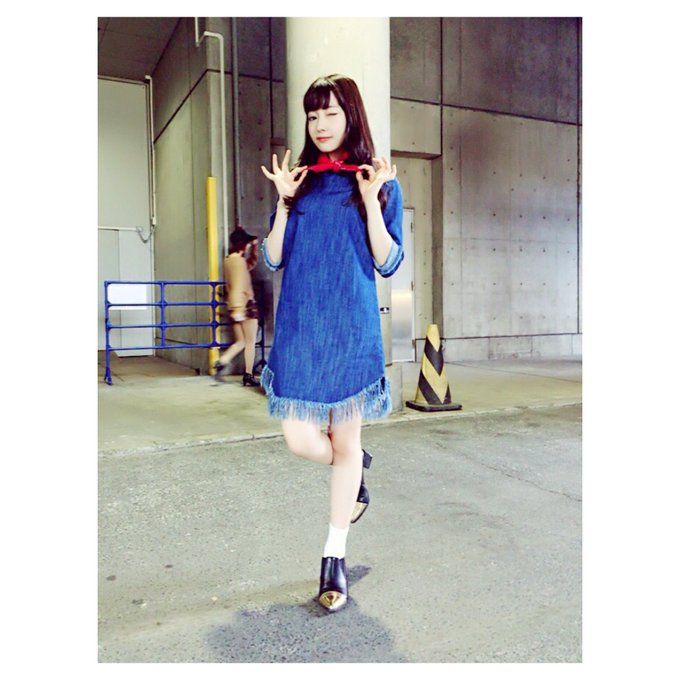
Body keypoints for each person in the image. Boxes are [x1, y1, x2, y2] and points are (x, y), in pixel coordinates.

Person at [260, 74, 403, 612]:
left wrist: (369, 201)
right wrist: (284, 203)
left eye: (331, 113)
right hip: (300, 329)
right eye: (313, 114)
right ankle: (354, 463)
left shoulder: (377, 181)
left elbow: (388, 261)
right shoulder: (299, 182)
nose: (320, 125)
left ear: (352, 116)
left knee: (343, 442)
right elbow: (273, 258)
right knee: (301, 440)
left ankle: (333, 556)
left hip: (350, 329)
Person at [214, 228, 261, 387]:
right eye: (247, 244)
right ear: (242, 244)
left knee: (241, 341)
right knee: (250, 342)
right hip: (245, 306)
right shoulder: (239, 262)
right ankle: (248, 375)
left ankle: (222, 361)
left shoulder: (229, 261)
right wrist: (240, 309)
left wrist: (254, 248)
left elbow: (251, 263)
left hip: (234, 306)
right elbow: (239, 286)